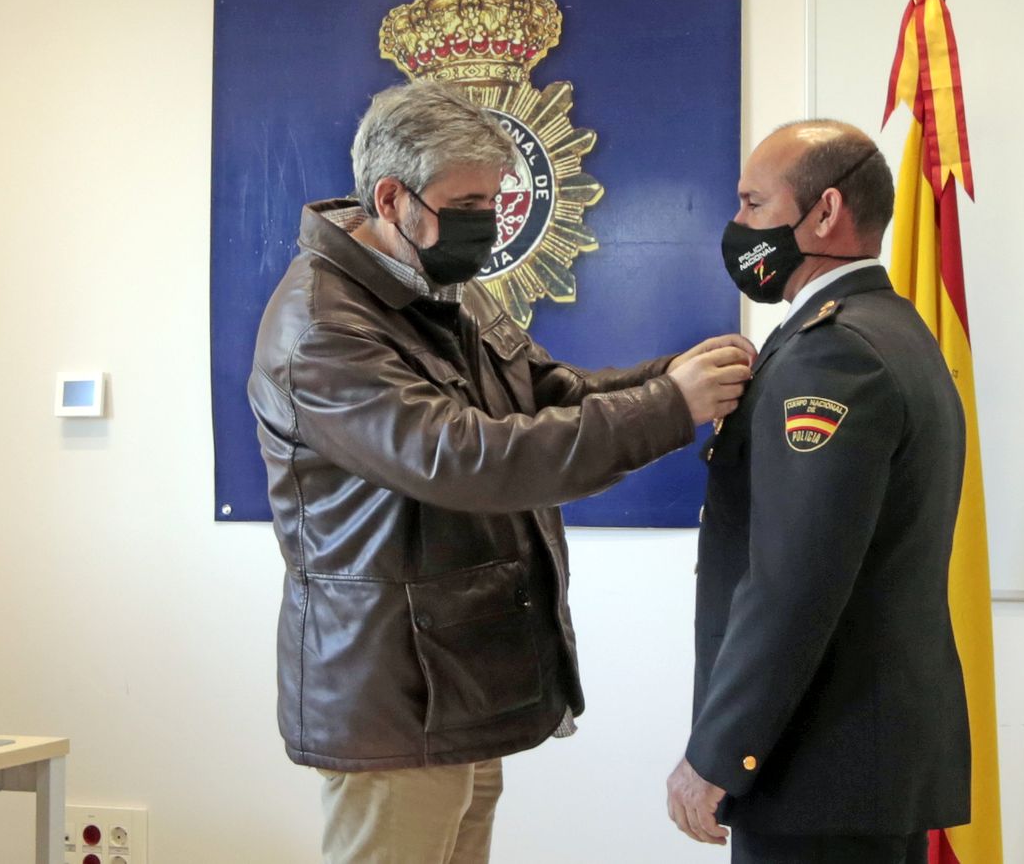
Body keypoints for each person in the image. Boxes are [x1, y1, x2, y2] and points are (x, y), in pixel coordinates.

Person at [248, 80, 754, 864]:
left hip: (457, 680)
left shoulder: (440, 290)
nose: (486, 223)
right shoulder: (323, 329)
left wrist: (674, 376)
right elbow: (467, 458)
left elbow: (550, 393)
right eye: (470, 202)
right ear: (392, 198)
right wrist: (667, 407)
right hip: (392, 698)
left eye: (494, 200)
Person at [665, 120, 972, 863]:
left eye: (751, 205)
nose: (736, 227)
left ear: (825, 213)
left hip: (817, 769)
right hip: (860, 765)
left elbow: (793, 584)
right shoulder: (892, 330)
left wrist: (720, 753)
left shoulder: (833, 357)